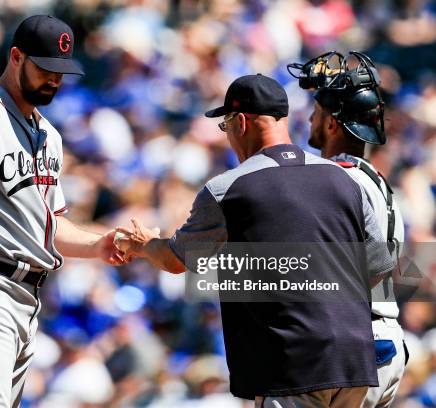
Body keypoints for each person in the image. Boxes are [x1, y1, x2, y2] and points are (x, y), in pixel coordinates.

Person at [117, 74, 394, 407]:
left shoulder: (229, 188)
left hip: (292, 366)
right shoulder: (343, 179)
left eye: (226, 125)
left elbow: (176, 261)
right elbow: (378, 269)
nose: (229, 135)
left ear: (242, 122)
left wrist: (144, 243)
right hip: (354, 364)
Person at [0, 15, 125, 407]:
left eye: (61, 71)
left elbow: (49, 228)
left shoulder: (49, 134)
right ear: (16, 57)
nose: (55, 79)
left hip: (28, 300)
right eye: (45, 68)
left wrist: (100, 244)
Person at [294, 51, 406, 408]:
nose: (311, 119)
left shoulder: (334, 180)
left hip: (348, 341)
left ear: (331, 124)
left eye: (316, 113)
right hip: (384, 341)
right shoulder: (377, 182)